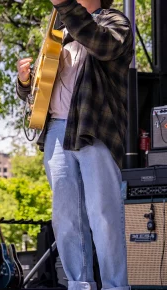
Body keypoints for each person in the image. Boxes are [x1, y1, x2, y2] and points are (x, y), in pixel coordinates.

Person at [16, 0, 133, 289]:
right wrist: (24, 82)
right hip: (56, 130)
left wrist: (65, 7)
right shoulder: (60, 33)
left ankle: (115, 286)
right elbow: (38, 92)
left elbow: (100, 42)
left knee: (103, 215)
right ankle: (79, 285)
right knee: (66, 220)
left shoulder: (114, 23)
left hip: (92, 128)